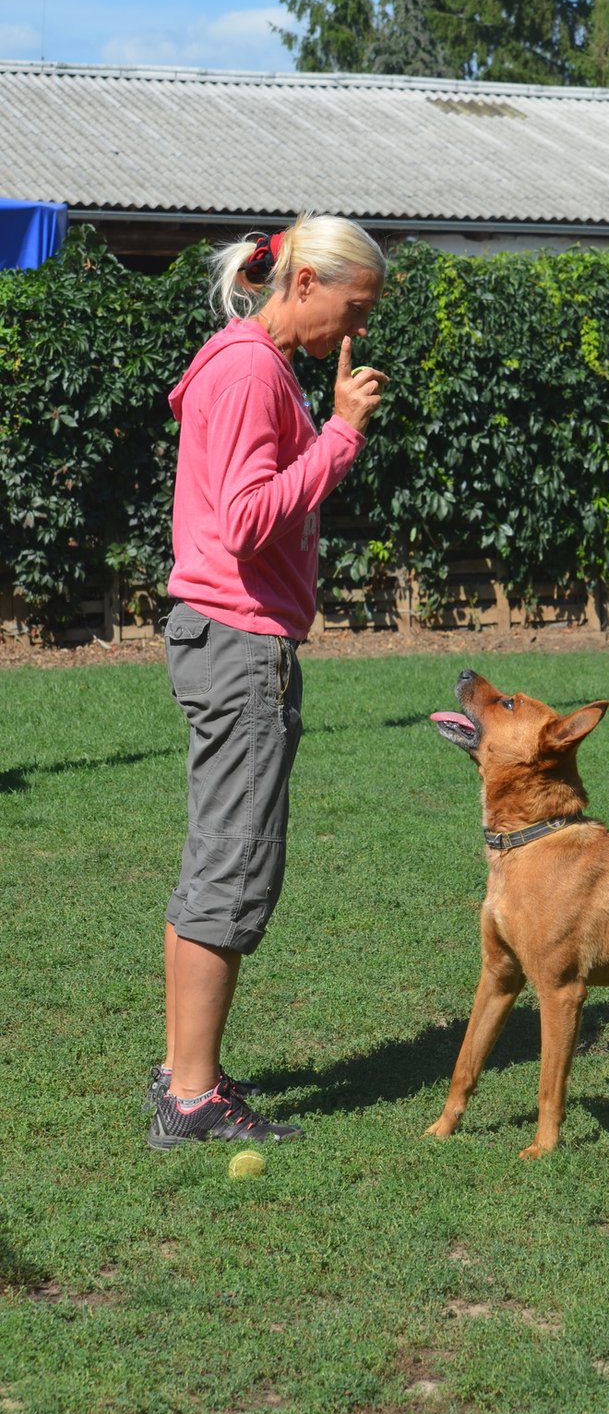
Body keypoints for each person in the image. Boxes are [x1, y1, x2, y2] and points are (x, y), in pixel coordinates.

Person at [145, 212, 388, 1149]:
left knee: (215, 856)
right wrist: (339, 435)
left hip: (221, 637)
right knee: (234, 866)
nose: (353, 330)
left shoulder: (237, 359)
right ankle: (196, 1101)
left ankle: (182, 1076)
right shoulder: (251, 369)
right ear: (304, 284)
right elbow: (249, 521)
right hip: (241, 645)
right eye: (351, 308)